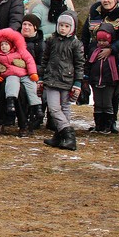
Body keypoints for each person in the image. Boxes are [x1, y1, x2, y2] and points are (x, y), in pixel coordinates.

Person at [80, 0, 119, 131]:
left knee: (112, 92)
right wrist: (86, 52)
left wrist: (112, 49)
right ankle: (99, 122)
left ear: (115, 0)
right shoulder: (94, 13)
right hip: (95, 54)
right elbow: (86, 34)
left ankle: (111, 122)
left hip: (115, 55)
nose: (106, 1)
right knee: (98, 90)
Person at [40, 12, 85, 151]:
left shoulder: (76, 44)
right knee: (54, 108)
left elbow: (79, 64)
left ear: (72, 27)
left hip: (67, 80)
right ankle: (66, 133)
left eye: (66, 26)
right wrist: (41, 77)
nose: (63, 28)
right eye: (61, 25)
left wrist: (78, 82)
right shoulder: (51, 41)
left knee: (65, 107)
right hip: (52, 79)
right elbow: (44, 60)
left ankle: (64, 137)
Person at [0, 28, 39, 137]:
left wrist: (30, 71)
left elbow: (30, 62)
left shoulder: (22, 51)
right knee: (2, 90)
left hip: (23, 77)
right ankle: (0, 122)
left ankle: (23, 124)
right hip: (4, 78)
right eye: (2, 45)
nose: (4, 47)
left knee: (21, 92)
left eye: (6, 44)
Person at [88, 22, 119, 134]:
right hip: (95, 81)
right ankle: (98, 125)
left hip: (110, 81)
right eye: (100, 41)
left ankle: (108, 125)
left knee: (107, 104)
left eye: (105, 40)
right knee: (97, 103)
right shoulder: (93, 51)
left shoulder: (115, 54)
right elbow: (89, 65)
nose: (102, 43)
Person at [20, 13, 45, 129]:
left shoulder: (40, 44)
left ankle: (34, 116)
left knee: (30, 88)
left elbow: (43, 65)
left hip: (34, 75)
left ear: (35, 27)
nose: (26, 27)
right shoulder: (16, 41)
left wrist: (29, 69)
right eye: (24, 24)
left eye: (29, 25)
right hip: (16, 74)